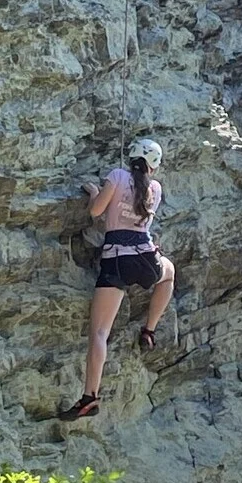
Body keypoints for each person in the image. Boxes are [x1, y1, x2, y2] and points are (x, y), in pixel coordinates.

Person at [60, 137, 175, 421]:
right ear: (154, 167)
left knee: (99, 333)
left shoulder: (117, 176)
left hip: (116, 261)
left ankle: (90, 397)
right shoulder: (155, 188)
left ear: (131, 157)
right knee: (169, 273)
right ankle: (149, 329)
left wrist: (94, 191)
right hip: (146, 258)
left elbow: (96, 211)